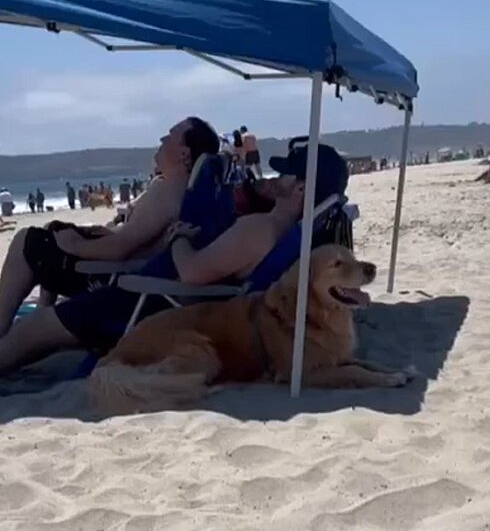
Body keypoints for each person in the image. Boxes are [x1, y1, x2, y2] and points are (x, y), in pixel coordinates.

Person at [0, 143, 349, 375]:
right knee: (32, 332)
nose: (274, 178)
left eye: (286, 173)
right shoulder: (278, 231)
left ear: (301, 188)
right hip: (158, 302)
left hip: (145, 306)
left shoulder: (260, 229)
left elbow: (192, 272)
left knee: (29, 333)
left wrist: (180, 236)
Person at [0, 118, 221, 336]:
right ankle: (41, 312)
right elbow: (141, 237)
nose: (162, 138)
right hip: (122, 269)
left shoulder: (170, 191)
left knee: (27, 240)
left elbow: (119, 249)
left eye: (171, 135)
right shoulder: (175, 188)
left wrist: (75, 245)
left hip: (111, 278)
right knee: (53, 229)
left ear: (184, 153)